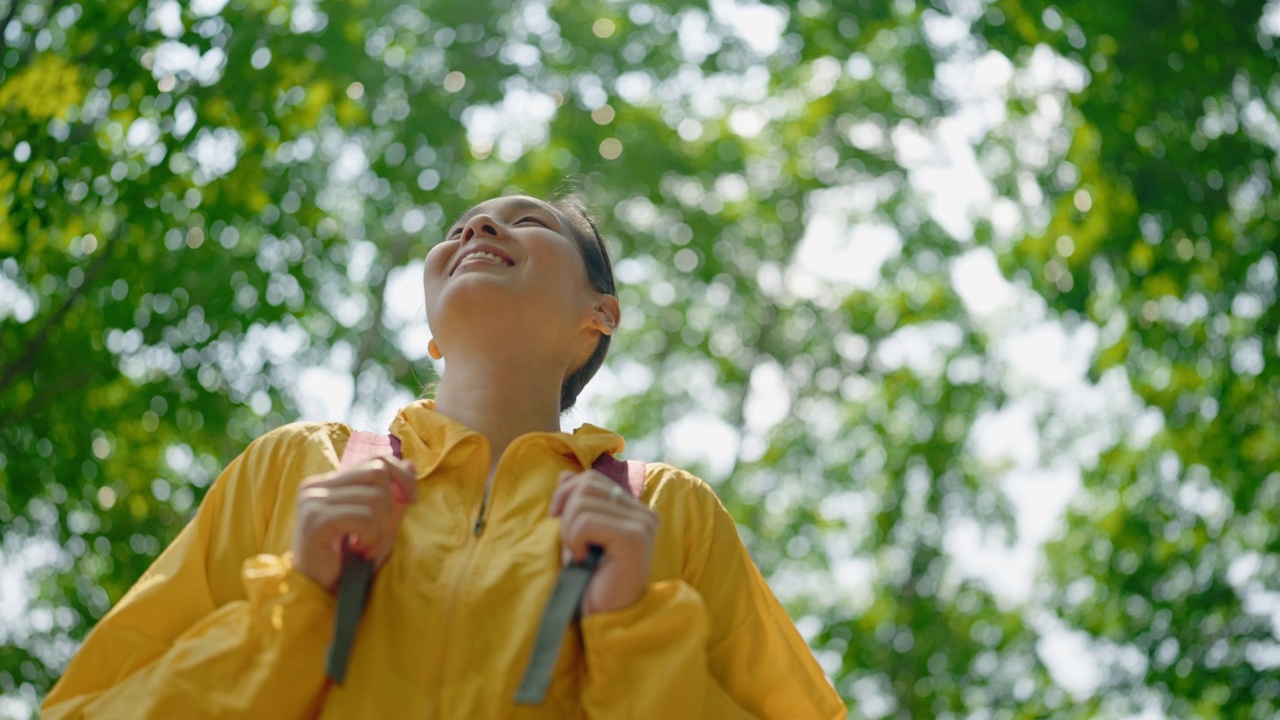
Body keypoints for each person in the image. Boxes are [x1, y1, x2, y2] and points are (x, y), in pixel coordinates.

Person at [42, 194, 845, 718]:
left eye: (525, 221)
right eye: (460, 226)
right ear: (431, 331)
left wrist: (637, 634)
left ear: (599, 316)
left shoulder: (668, 513)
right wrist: (293, 603)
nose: (476, 229)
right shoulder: (292, 471)